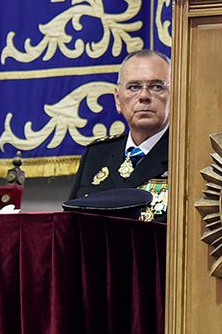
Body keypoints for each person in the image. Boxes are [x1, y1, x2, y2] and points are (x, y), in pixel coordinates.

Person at [68, 49, 170, 220]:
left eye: (157, 87)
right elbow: (70, 224)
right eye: (134, 87)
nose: (144, 96)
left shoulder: (186, 157)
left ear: (175, 96)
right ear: (117, 99)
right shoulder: (96, 155)